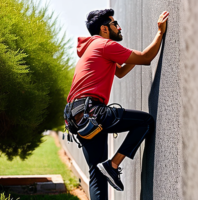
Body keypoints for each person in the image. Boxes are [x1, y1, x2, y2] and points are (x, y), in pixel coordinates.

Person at [64, 9, 169, 200]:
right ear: (104, 28)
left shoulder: (91, 47)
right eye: (114, 24)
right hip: (91, 112)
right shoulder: (104, 45)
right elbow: (146, 58)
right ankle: (113, 165)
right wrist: (160, 33)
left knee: (96, 174)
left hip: (76, 116)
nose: (119, 27)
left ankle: (108, 167)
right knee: (144, 122)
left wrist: (128, 56)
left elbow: (119, 72)